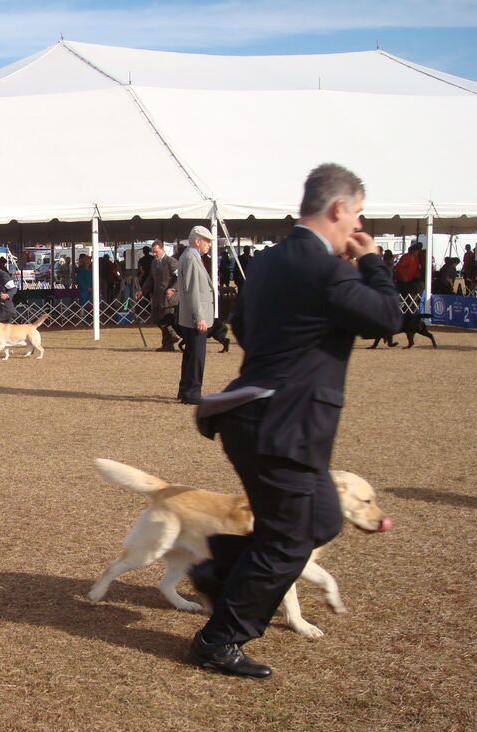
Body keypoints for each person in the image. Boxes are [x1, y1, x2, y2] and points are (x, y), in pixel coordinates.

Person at [190, 163, 402, 679]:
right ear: (338, 209)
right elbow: (388, 317)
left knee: (323, 519)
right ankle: (219, 639)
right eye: (357, 213)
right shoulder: (330, 271)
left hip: (255, 420)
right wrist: (372, 261)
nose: (358, 224)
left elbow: (240, 324)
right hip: (284, 427)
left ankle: (219, 569)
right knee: (287, 538)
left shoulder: (264, 265)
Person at [174, 226, 214, 405]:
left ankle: (185, 390)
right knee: (196, 356)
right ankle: (192, 392)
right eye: (207, 241)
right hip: (195, 317)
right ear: (197, 241)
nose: (210, 245)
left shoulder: (190, 257)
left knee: (190, 354)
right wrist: (200, 316)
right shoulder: (191, 258)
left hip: (191, 316)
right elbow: (192, 291)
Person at [138, 241, 179, 351]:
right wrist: (142, 291)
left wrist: (173, 289)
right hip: (157, 297)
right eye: (153, 252)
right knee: (157, 320)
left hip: (169, 298)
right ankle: (171, 339)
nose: (154, 254)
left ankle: (169, 342)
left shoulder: (171, 261)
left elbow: (180, 277)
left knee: (166, 321)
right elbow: (151, 279)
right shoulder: (153, 263)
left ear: (162, 249)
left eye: (156, 252)